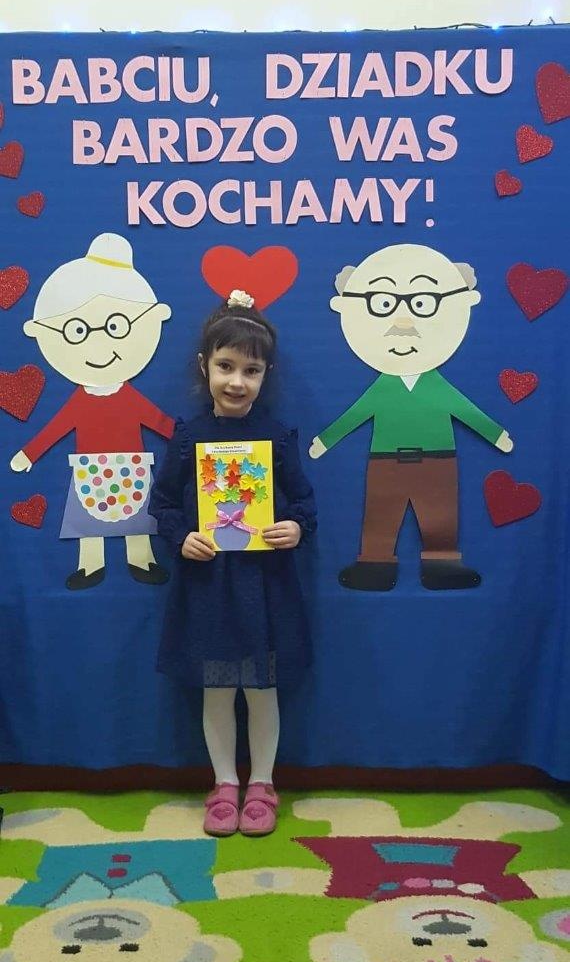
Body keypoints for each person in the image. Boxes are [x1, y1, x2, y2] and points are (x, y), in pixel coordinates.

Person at [149, 289, 317, 837]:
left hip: (265, 585)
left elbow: (304, 501)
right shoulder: (188, 437)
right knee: (217, 689)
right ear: (205, 366)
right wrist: (181, 537)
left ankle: (262, 783)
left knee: (262, 689)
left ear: (266, 374)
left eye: (251, 370)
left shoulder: (277, 437)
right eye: (226, 366)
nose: (237, 381)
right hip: (208, 585)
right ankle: (224, 784)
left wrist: (295, 527)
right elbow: (162, 503)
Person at [309, 243, 513, 592]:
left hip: (438, 461)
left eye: (421, 303)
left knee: (440, 516)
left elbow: (466, 410)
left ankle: (442, 565)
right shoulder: (383, 387)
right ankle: (374, 565)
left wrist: (495, 434)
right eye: (383, 303)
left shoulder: (436, 386)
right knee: (380, 514)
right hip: (386, 461)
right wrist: (325, 440)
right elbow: (356, 414)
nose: (403, 324)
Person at [9, 232, 174, 590]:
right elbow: (56, 427)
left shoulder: (129, 396)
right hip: (90, 468)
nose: (99, 342)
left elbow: (159, 422)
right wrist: (29, 453)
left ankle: (142, 560)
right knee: (87, 521)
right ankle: (90, 566)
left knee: (138, 518)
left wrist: (188, 440)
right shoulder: (80, 400)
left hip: (131, 465)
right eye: (78, 331)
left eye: (115, 326)